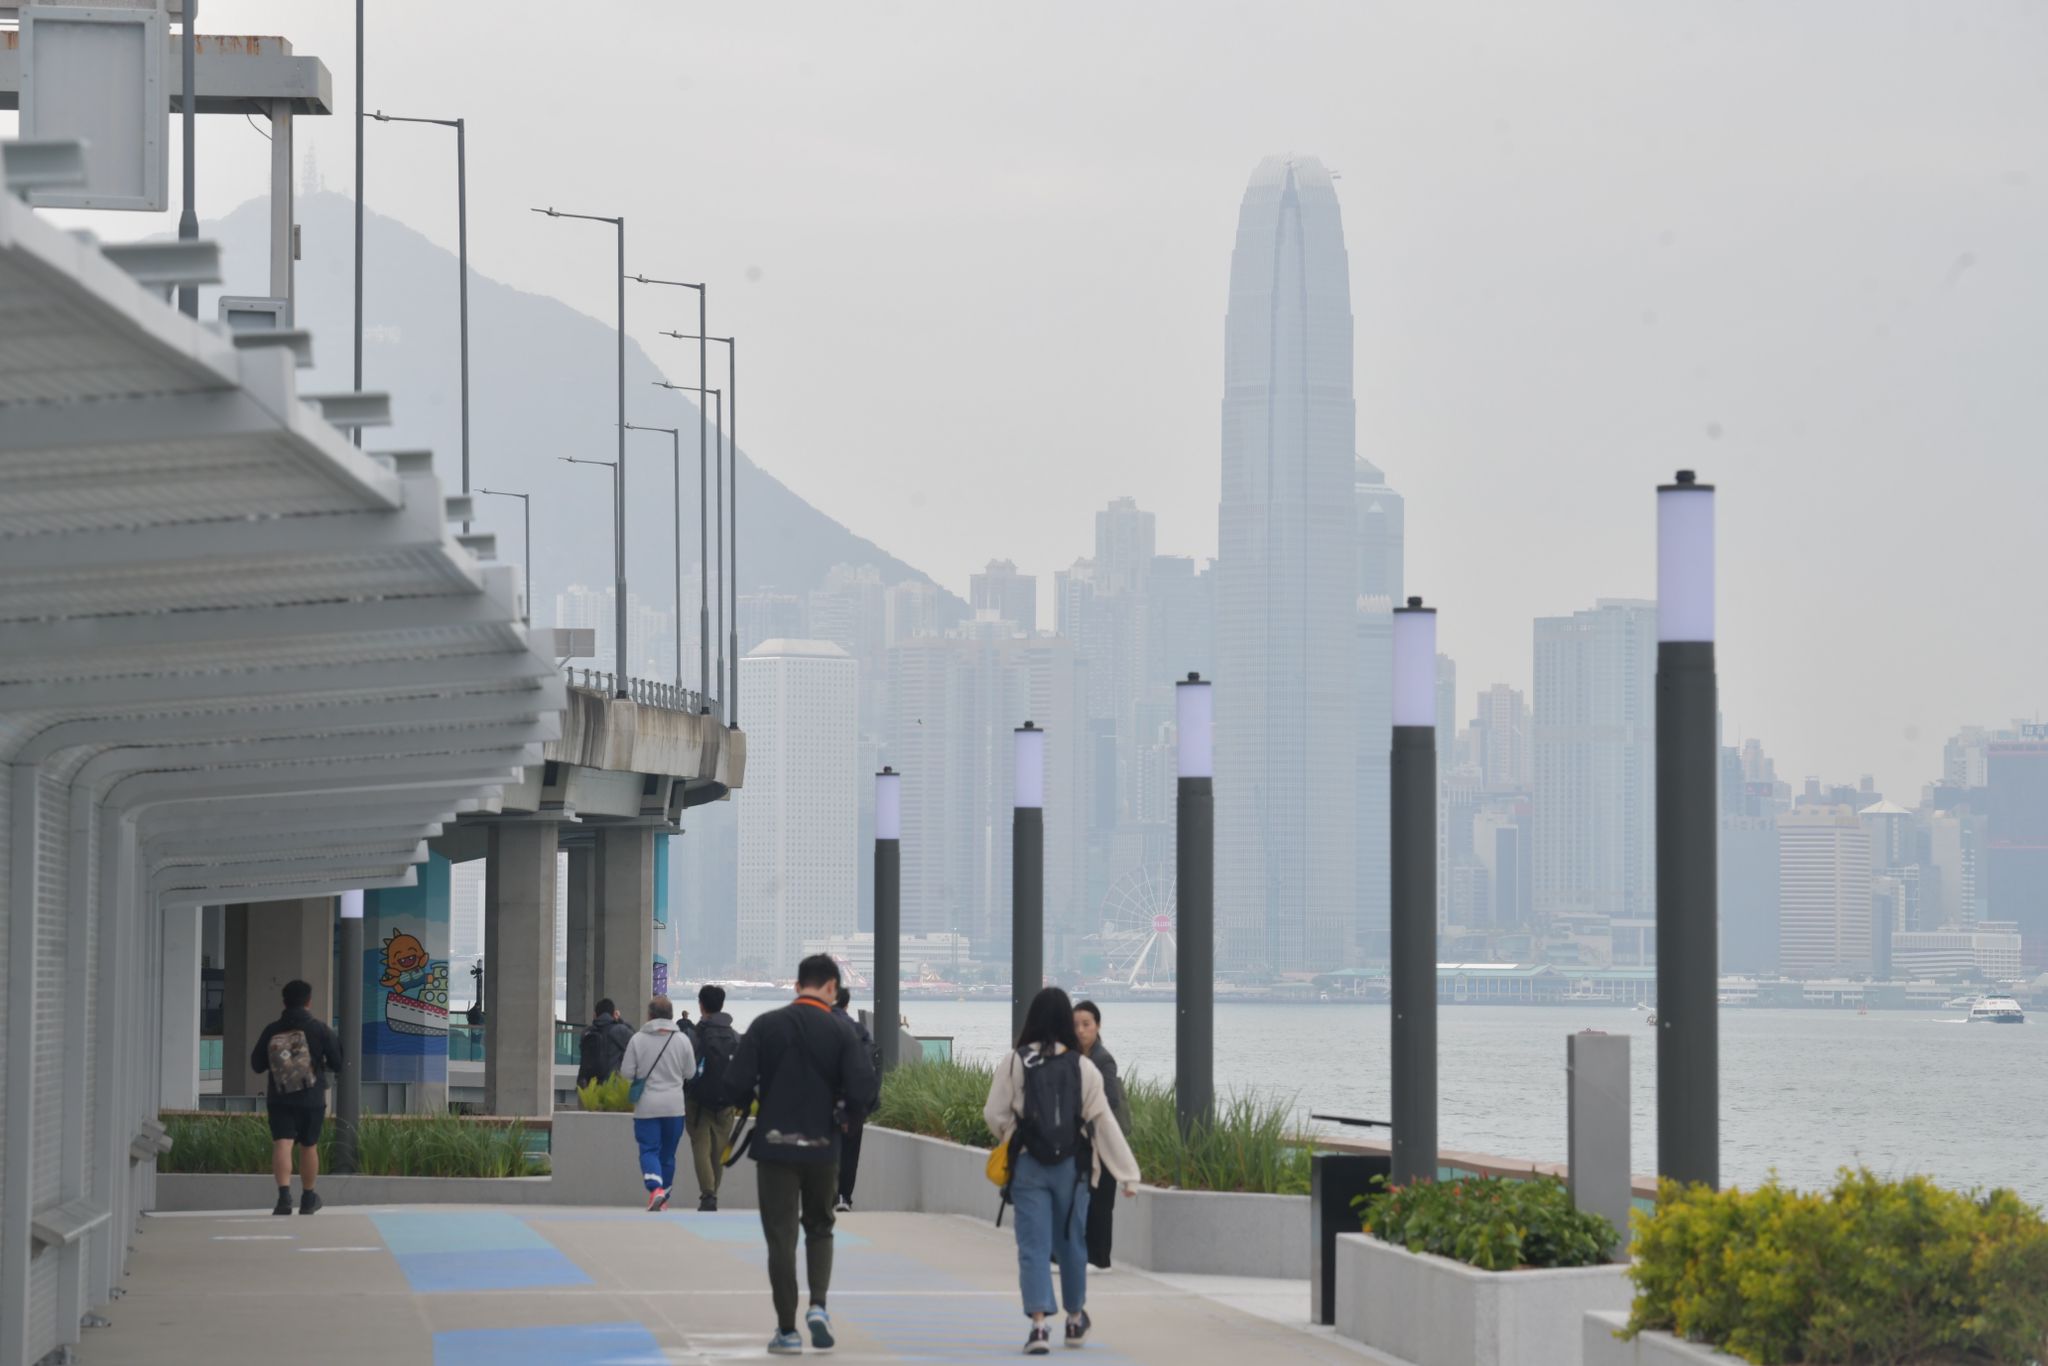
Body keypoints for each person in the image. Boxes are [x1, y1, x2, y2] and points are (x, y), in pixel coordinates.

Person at [717, 953, 880, 1356]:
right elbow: (865, 1091)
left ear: (796, 985)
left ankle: (787, 1330)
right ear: (832, 988)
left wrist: (757, 1096)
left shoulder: (766, 1025)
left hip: (774, 1147)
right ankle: (819, 1306)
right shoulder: (844, 1032)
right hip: (824, 1147)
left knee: (781, 1237)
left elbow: (734, 1084)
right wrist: (845, 1115)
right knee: (820, 1227)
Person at [984, 986, 1140, 1355]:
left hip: (1028, 1166)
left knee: (1033, 1245)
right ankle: (1074, 1318)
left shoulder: (1015, 1062)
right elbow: (1103, 1122)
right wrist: (1127, 1173)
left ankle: (1039, 1326)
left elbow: (993, 1113)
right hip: (1073, 1168)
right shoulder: (1083, 1067)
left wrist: (1012, 1134)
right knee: (1072, 1243)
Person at [250, 978, 345, 1217]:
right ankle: (308, 1198)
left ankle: (284, 1198)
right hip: (311, 1097)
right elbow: (338, 1063)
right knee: (309, 1146)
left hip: (279, 1097)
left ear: (284, 1002)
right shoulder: (320, 1029)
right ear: (308, 1002)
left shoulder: (272, 1030)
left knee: (283, 1143)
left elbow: (256, 1065)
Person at [620, 995, 695, 1212]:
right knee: (668, 1154)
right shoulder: (682, 1040)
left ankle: (655, 1189)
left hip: (647, 1106)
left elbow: (626, 1073)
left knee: (649, 1150)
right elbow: (690, 1072)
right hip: (674, 1107)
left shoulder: (637, 1040)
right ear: (671, 1015)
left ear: (649, 1015)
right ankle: (664, 1196)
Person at [1072, 1000, 1132, 1272]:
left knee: (1101, 1201)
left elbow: (1110, 1099)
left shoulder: (1103, 1059)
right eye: (1076, 1025)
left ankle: (1099, 1259)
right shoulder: (1073, 1056)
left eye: (1086, 1024)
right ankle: (1073, 1253)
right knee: (1080, 1197)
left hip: (1103, 1138)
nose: (1081, 1030)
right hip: (1082, 1141)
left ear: (1097, 1025)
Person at [686, 983, 742, 1211]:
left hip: (698, 1101)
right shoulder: (734, 1036)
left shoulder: (695, 1034)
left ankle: (708, 1194)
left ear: (701, 1005)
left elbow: (688, 1068)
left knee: (701, 1146)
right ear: (722, 1005)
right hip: (726, 1102)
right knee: (719, 1150)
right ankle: (712, 1193)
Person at [832, 979, 879, 1212]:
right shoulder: (859, 1030)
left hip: (825, 1102)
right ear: (847, 1004)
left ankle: (828, 1195)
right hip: (854, 1104)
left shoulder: (819, 1026)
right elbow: (870, 1068)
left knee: (826, 1150)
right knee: (850, 1153)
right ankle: (844, 1197)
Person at [577, 997, 635, 1088]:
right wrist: (619, 1020)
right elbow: (635, 1041)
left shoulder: (586, 1033)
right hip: (612, 1087)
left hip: (590, 1087)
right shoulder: (619, 1030)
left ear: (595, 1015)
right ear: (614, 1014)